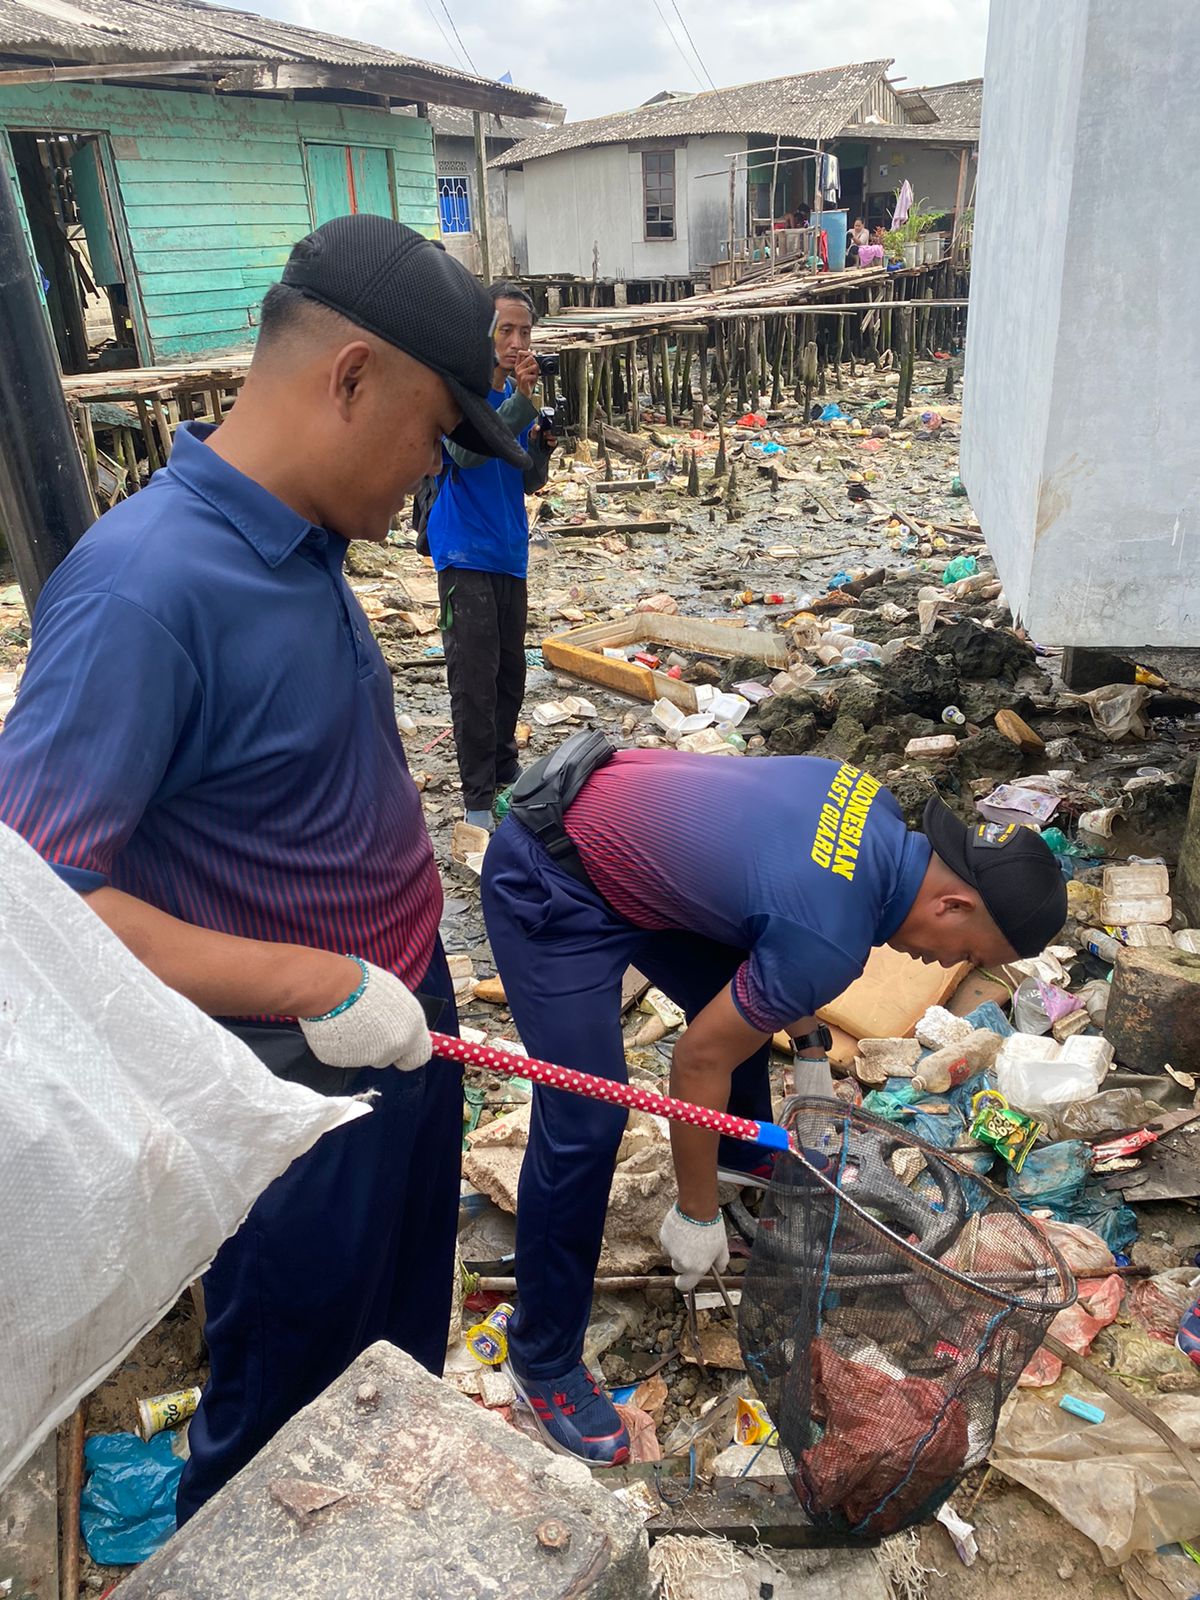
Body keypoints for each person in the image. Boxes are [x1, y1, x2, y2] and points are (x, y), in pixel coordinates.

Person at [0, 214, 532, 1523]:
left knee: (395, 1360)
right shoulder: (144, 591)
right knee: (286, 1414)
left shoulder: (302, 545)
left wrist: (398, 978)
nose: (429, 474)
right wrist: (308, 979)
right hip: (292, 1081)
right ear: (351, 376)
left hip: (403, 1022)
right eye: (432, 432)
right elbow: (33, 910)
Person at [481, 743, 1067, 1464]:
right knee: (585, 1122)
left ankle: (746, 1168)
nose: (949, 967)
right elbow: (699, 1056)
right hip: (554, 871)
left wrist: (808, 1039)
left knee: (744, 1014)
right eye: (966, 951)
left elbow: (767, 909)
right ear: (953, 902)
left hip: (616, 832)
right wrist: (691, 1214)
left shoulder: (873, 808)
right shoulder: (833, 936)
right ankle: (542, 1358)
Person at [425, 282, 557, 830]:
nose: (516, 340)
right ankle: (477, 803)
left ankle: (504, 773)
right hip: (464, 551)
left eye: (524, 331)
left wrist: (542, 445)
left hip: (509, 551)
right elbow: (463, 453)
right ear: (485, 334)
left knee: (508, 677)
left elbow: (526, 479)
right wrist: (521, 403)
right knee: (473, 681)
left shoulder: (518, 395)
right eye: (506, 329)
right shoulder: (466, 392)